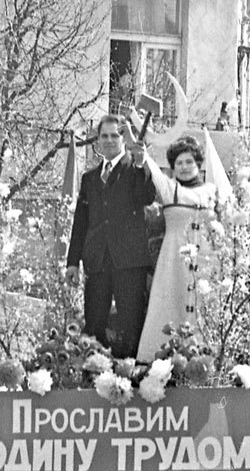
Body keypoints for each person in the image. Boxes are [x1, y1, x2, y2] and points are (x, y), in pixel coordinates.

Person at [65, 115, 156, 357]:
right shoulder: (90, 178)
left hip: (129, 263)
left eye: (115, 135)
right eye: (104, 136)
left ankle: (132, 379)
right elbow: (81, 222)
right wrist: (73, 262)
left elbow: (146, 196)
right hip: (97, 263)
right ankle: (94, 376)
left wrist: (141, 163)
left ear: (124, 138)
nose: (108, 140)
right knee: (94, 326)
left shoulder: (134, 168)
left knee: (130, 326)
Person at [136, 134, 220, 360]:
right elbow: (152, 170)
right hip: (173, 264)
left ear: (198, 164)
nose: (184, 167)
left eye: (189, 162)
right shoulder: (170, 189)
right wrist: (143, 155)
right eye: (179, 163)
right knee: (170, 309)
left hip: (205, 265)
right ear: (172, 167)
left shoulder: (212, 191)